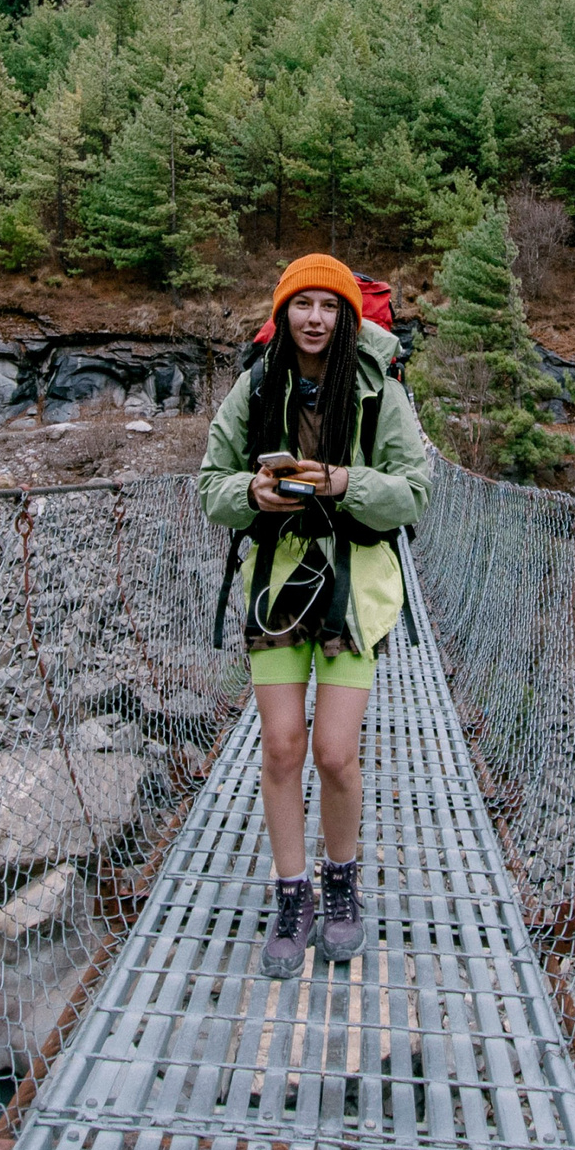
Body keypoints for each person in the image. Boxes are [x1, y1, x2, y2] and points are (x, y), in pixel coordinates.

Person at [199, 254, 431, 978]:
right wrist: (253, 494)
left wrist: (344, 482)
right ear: (285, 311)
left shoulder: (376, 390)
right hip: (275, 579)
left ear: (346, 316)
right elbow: (211, 485)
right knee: (280, 745)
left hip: (350, 587)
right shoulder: (256, 384)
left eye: (329, 306)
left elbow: (414, 490)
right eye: (303, 304)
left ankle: (341, 882)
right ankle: (292, 894)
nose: (315, 318)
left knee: (333, 751)